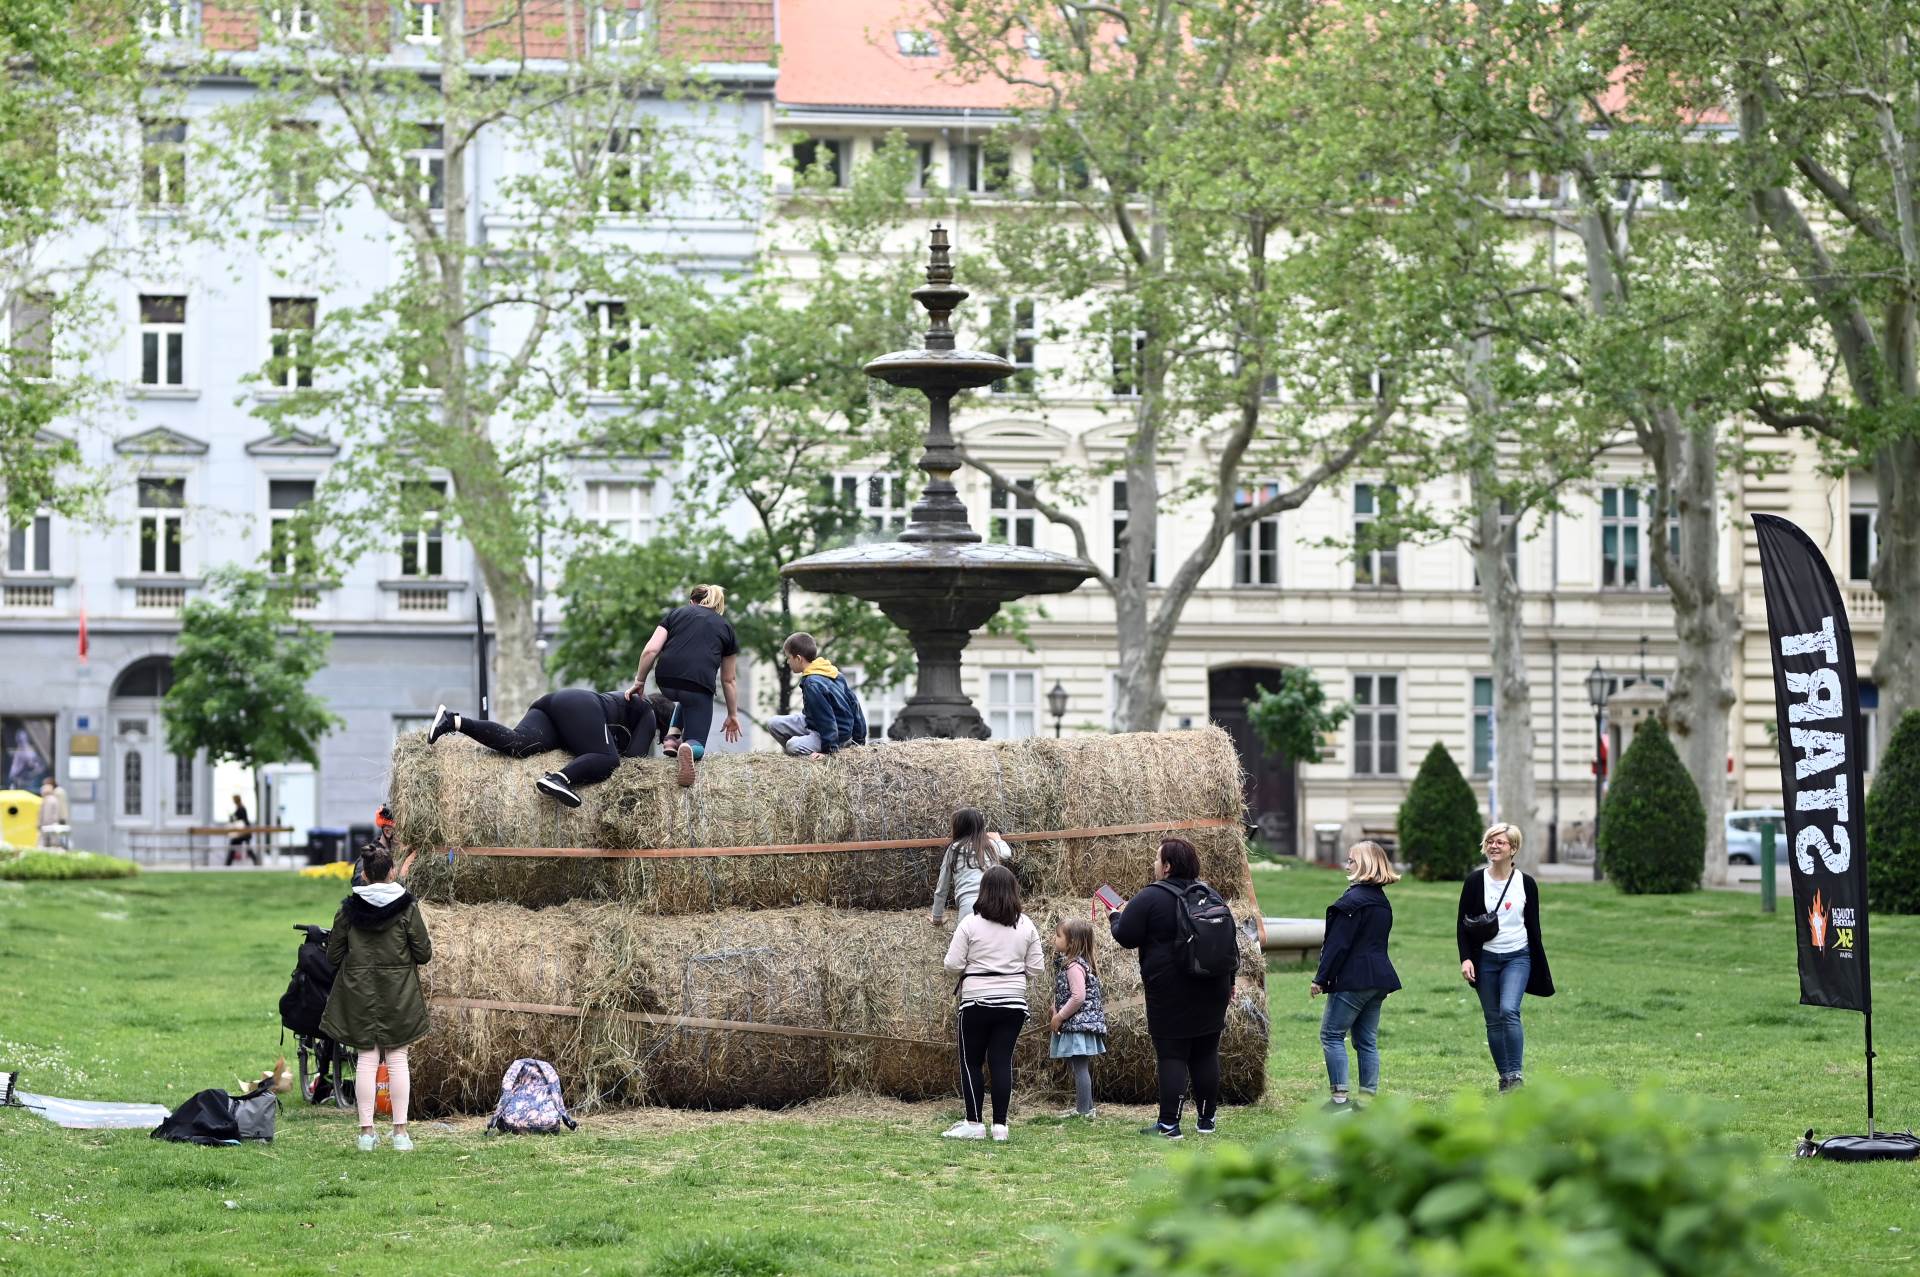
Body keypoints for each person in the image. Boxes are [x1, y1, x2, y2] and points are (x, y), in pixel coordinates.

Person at [1105, 837, 1233, 1140]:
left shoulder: (1151, 896)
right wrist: (1229, 982)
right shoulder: (1210, 894)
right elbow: (1230, 943)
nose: (1154, 863)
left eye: (1156, 858)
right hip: (1213, 986)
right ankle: (1206, 1121)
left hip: (1171, 990)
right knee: (1205, 1052)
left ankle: (1169, 1125)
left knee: (1172, 1055)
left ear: (1167, 866)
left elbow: (1126, 935)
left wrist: (1114, 914)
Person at [320, 844, 431, 1151]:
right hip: (399, 993)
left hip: (359, 993)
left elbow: (333, 956)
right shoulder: (407, 907)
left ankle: (366, 1134)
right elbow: (423, 953)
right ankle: (400, 1134)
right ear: (392, 872)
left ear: (365, 875)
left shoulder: (347, 910)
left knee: (366, 1060)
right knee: (397, 1059)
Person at [941, 865, 1043, 1142]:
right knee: (1001, 1062)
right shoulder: (1027, 925)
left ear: (983, 891)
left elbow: (951, 964)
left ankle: (974, 1123)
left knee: (971, 1062)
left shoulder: (970, 924)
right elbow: (1036, 968)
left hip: (976, 1002)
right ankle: (1000, 1127)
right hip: (1012, 1004)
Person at [427, 687, 657, 808]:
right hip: (581, 706)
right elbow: (634, 761)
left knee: (519, 743)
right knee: (609, 760)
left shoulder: (633, 707)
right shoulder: (649, 710)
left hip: (556, 707)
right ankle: (559, 779)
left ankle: (453, 721)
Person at [1457, 822, 1554, 1092]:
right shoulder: (1475, 881)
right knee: (1493, 1018)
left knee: (1509, 1010)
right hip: (1485, 958)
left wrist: (1537, 964)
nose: (1494, 846)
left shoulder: (1527, 884)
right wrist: (1466, 958)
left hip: (1517, 957)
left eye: (1500, 842)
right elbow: (1462, 924)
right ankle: (1505, 1078)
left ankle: (1516, 1075)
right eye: (1490, 841)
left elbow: (1533, 927)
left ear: (1513, 848)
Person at [1309, 841, 1402, 1111]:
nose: (1346, 865)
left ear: (1363, 864)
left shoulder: (1351, 902)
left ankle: (1339, 1099)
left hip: (1353, 980)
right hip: (1379, 979)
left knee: (1331, 1036)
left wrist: (1320, 979)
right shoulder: (1381, 902)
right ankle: (1366, 1101)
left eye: (1350, 860)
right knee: (1366, 1041)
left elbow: (1338, 946)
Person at [627, 585, 742, 787]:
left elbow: (650, 651)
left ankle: (671, 739)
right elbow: (728, 679)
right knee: (697, 739)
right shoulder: (726, 628)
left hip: (666, 681)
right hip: (698, 685)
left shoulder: (676, 614)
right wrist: (732, 714)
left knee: (686, 700)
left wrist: (640, 681)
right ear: (718, 606)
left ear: (692, 602)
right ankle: (688, 747)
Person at [766, 633, 867, 757]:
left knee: (792, 745)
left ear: (798, 658)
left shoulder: (812, 684)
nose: (787, 662)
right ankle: (799, 757)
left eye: (788, 658)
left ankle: (814, 754)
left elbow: (826, 719)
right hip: (812, 722)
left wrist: (829, 752)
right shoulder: (832, 672)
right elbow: (855, 705)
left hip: (835, 734)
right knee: (774, 723)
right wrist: (860, 740)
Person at [1048, 918, 1108, 1120]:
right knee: (1079, 1065)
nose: (1054, 940)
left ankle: (1084, 1110)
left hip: (1078, 1025)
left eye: (1058, 936)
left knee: (1080, 1066)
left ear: (1071, 943)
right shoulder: (1075, 964)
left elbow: (1078, 997)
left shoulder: (1074, 966)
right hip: (1079, 1023)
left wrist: (1060, 1016)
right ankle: (1087, 1107)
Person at [930, 808, 1014, 926]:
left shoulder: (953, 849)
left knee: (968, 942)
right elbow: (1007, 853)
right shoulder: (990, 846)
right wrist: (998, 840)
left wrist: (937, 918)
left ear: (958, 828)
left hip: (969, 907)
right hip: (995, 903)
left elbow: (942, 888)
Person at [225, 794, 259, 867]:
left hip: (244, 832)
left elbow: (238, 819)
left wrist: (231, 817)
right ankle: (228, 863)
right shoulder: (240, 808)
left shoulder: (241, 808)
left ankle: (228, 863)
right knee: (241, 847)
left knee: (236, 846)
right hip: (243, 832)